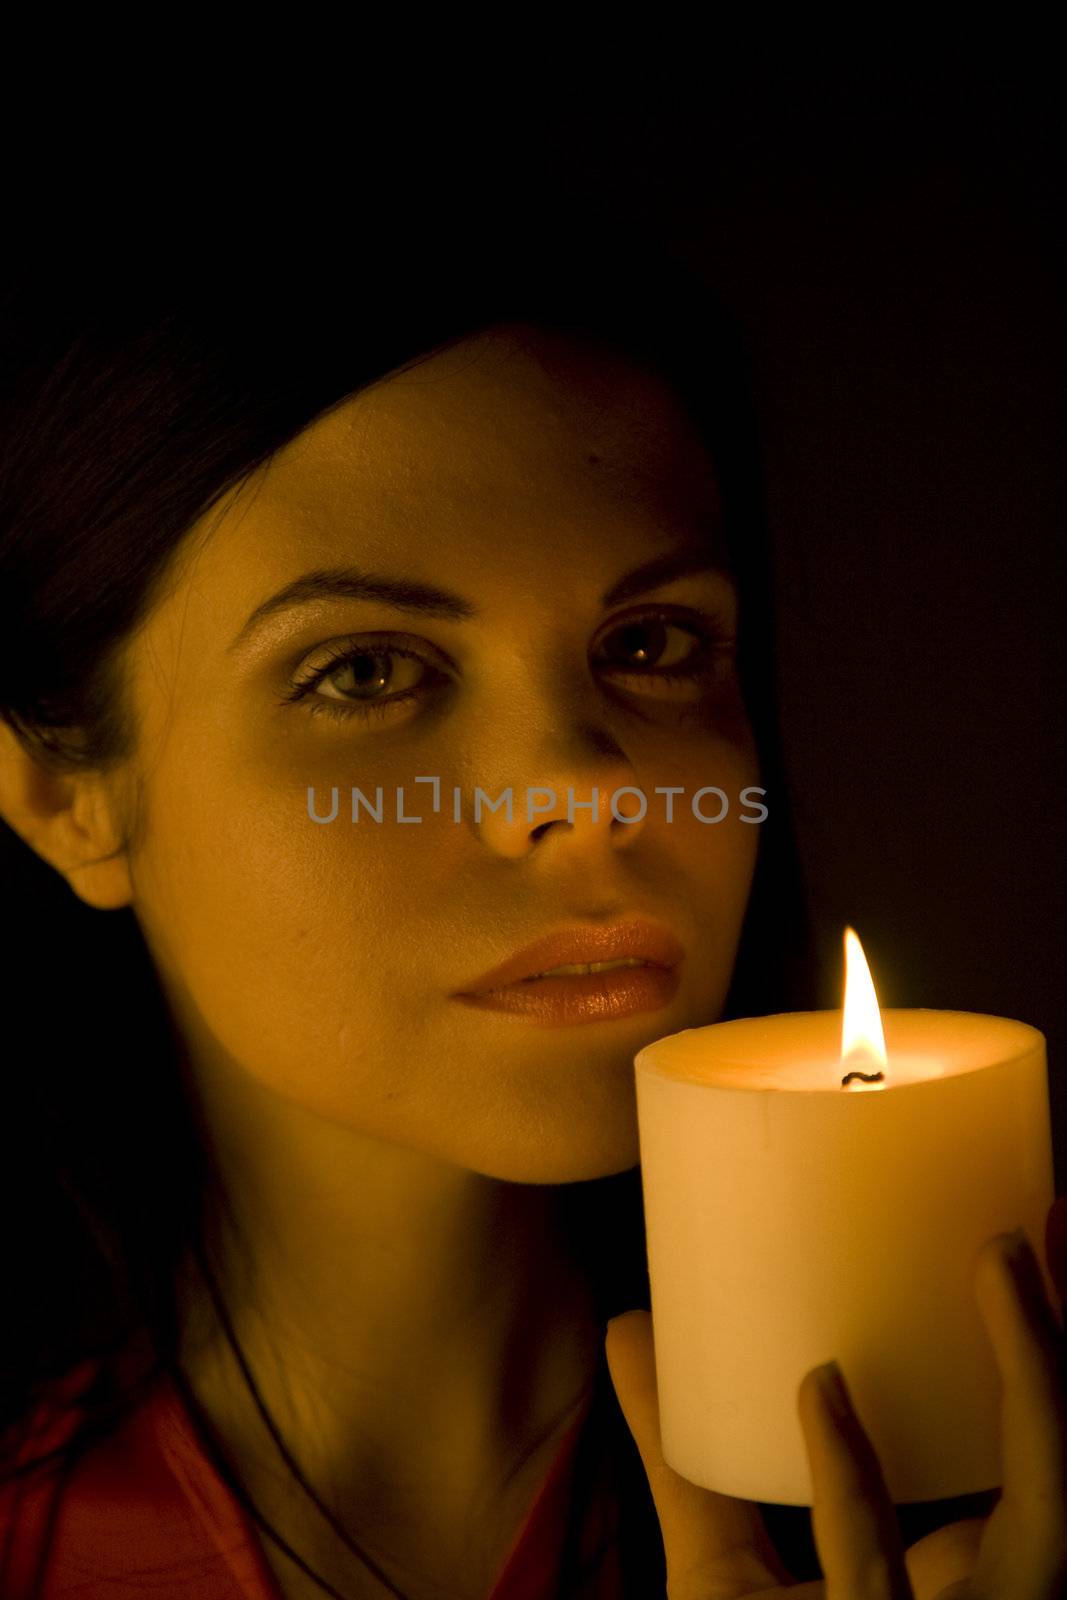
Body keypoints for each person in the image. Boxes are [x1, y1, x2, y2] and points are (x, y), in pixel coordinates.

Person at [0, 221, 1063, 1600]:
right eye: (368, 672)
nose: (590, 788)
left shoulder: (990, 1506)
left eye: (652, 644)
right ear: (60, 794)